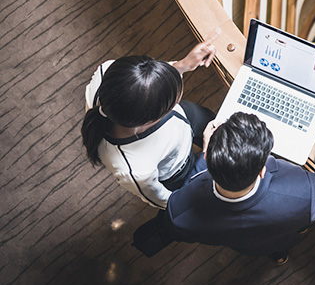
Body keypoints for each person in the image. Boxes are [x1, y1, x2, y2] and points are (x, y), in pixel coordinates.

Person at [164, 88, 315, 263]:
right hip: (281, 235)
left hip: (244, 245)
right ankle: (279, 253)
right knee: (278, 243)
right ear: (261, 170)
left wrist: (206, 154)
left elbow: (190, 186)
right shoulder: (304, 195)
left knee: (259, 247)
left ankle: (277, 256)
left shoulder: (179, 211)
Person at [81, 39, 217, 209]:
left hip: (185, 118)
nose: (178, 96)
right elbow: (170, 202)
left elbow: (144, 83)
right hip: (178, 167)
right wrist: (205, 157)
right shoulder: (135, 170)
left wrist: (182, 65)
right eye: (173, 102)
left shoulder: (107, 71)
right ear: (150, 120)